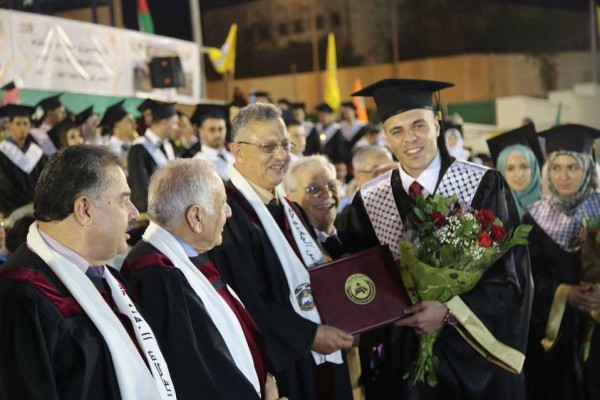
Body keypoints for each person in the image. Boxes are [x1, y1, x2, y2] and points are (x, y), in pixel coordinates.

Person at [336, 78, 532, 399]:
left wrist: (449, 312)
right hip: (404, 359)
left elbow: (511, 276)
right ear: (386, 136)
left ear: (437, 126)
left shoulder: (484, 185)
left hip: (474, 361)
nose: (409, 138)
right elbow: (359, 280)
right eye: (397, 130)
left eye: (419, 125)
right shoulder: (369, 200)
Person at [0, 145, 176, 400]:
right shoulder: (18, 297)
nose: (134, 212)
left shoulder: (107, 278)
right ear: (84, 210)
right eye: (123, 200)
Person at [210, 103, 354, 400]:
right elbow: (246, 298)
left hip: (319, 350)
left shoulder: (288, 207)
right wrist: (308, 335)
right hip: (285, 365)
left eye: (285, 145)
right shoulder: (228, 214)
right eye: (268, 146)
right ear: (238, 151)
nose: (281, 155)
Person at [122, 159, 286, 400]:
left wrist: (265, 376)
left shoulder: (186, 255)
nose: (229, 212)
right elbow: (197, 376)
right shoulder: (156, 275)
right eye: (222, 204)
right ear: (196, 217)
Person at [523, 124, 600, 400]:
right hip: (554, 337)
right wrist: (564, 293)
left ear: (587, 168)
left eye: (572, 167)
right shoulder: (535, 217)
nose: (563, 176)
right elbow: (526, 276)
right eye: (556, 168)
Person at [128, 101, 178, 212]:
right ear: (165, 122)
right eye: (174, 123)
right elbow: (139, 187)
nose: (176, 128)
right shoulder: (139, 148)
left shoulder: (168, 146)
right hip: (151, 214)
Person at [0, 104, 48, 219]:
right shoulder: (2, 151)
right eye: (18, 123)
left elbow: (46, 179)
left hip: (38, 207)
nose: (22, 128)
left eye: (25, 123)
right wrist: (26, 202)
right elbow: (4, 186)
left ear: (30, 126)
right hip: (13, 209)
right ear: (9, 125)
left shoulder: (37, 152)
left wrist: (38, 201)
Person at [339, 145, 394, 213]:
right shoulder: (346, 211)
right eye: (376, 172)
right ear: (358, 177)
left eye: (389, 170)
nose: (385, 178)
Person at [192, 104, 234, 180]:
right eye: (212, 129)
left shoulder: (231, 157)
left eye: (220, 129)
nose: (217, 134)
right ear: (201, 131)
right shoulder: (197, 163)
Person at [100, 100, 137, 171]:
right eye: (129, 121)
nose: (134, 125)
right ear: (117, 125)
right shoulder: (107, 149)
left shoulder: (133, 145)